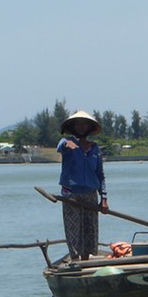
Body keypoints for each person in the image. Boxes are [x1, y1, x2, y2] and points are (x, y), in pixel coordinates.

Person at [57, 110, 108, 261]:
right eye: (77, 124)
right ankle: (75, 261)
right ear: (73, 127)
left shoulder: (94, 149)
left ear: (88, 127)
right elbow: (60, 146)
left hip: (90, 194)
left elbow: (100, 175)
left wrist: (104, 198)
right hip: (71, 194)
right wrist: (68, 142)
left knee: (89, 231)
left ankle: (85, 262)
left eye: (83, 124)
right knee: (73, 231)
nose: (80, 127)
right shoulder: (67, 143)